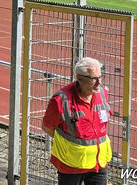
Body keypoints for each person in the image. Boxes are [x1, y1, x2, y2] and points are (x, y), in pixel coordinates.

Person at [41, 57, 112, 185]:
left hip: (98, 164)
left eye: (100, 77)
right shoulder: (61, 100)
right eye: (94, 78)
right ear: (79, 78)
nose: (99, 82)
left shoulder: (102, 94)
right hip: (71, 166)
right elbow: (47, 127)